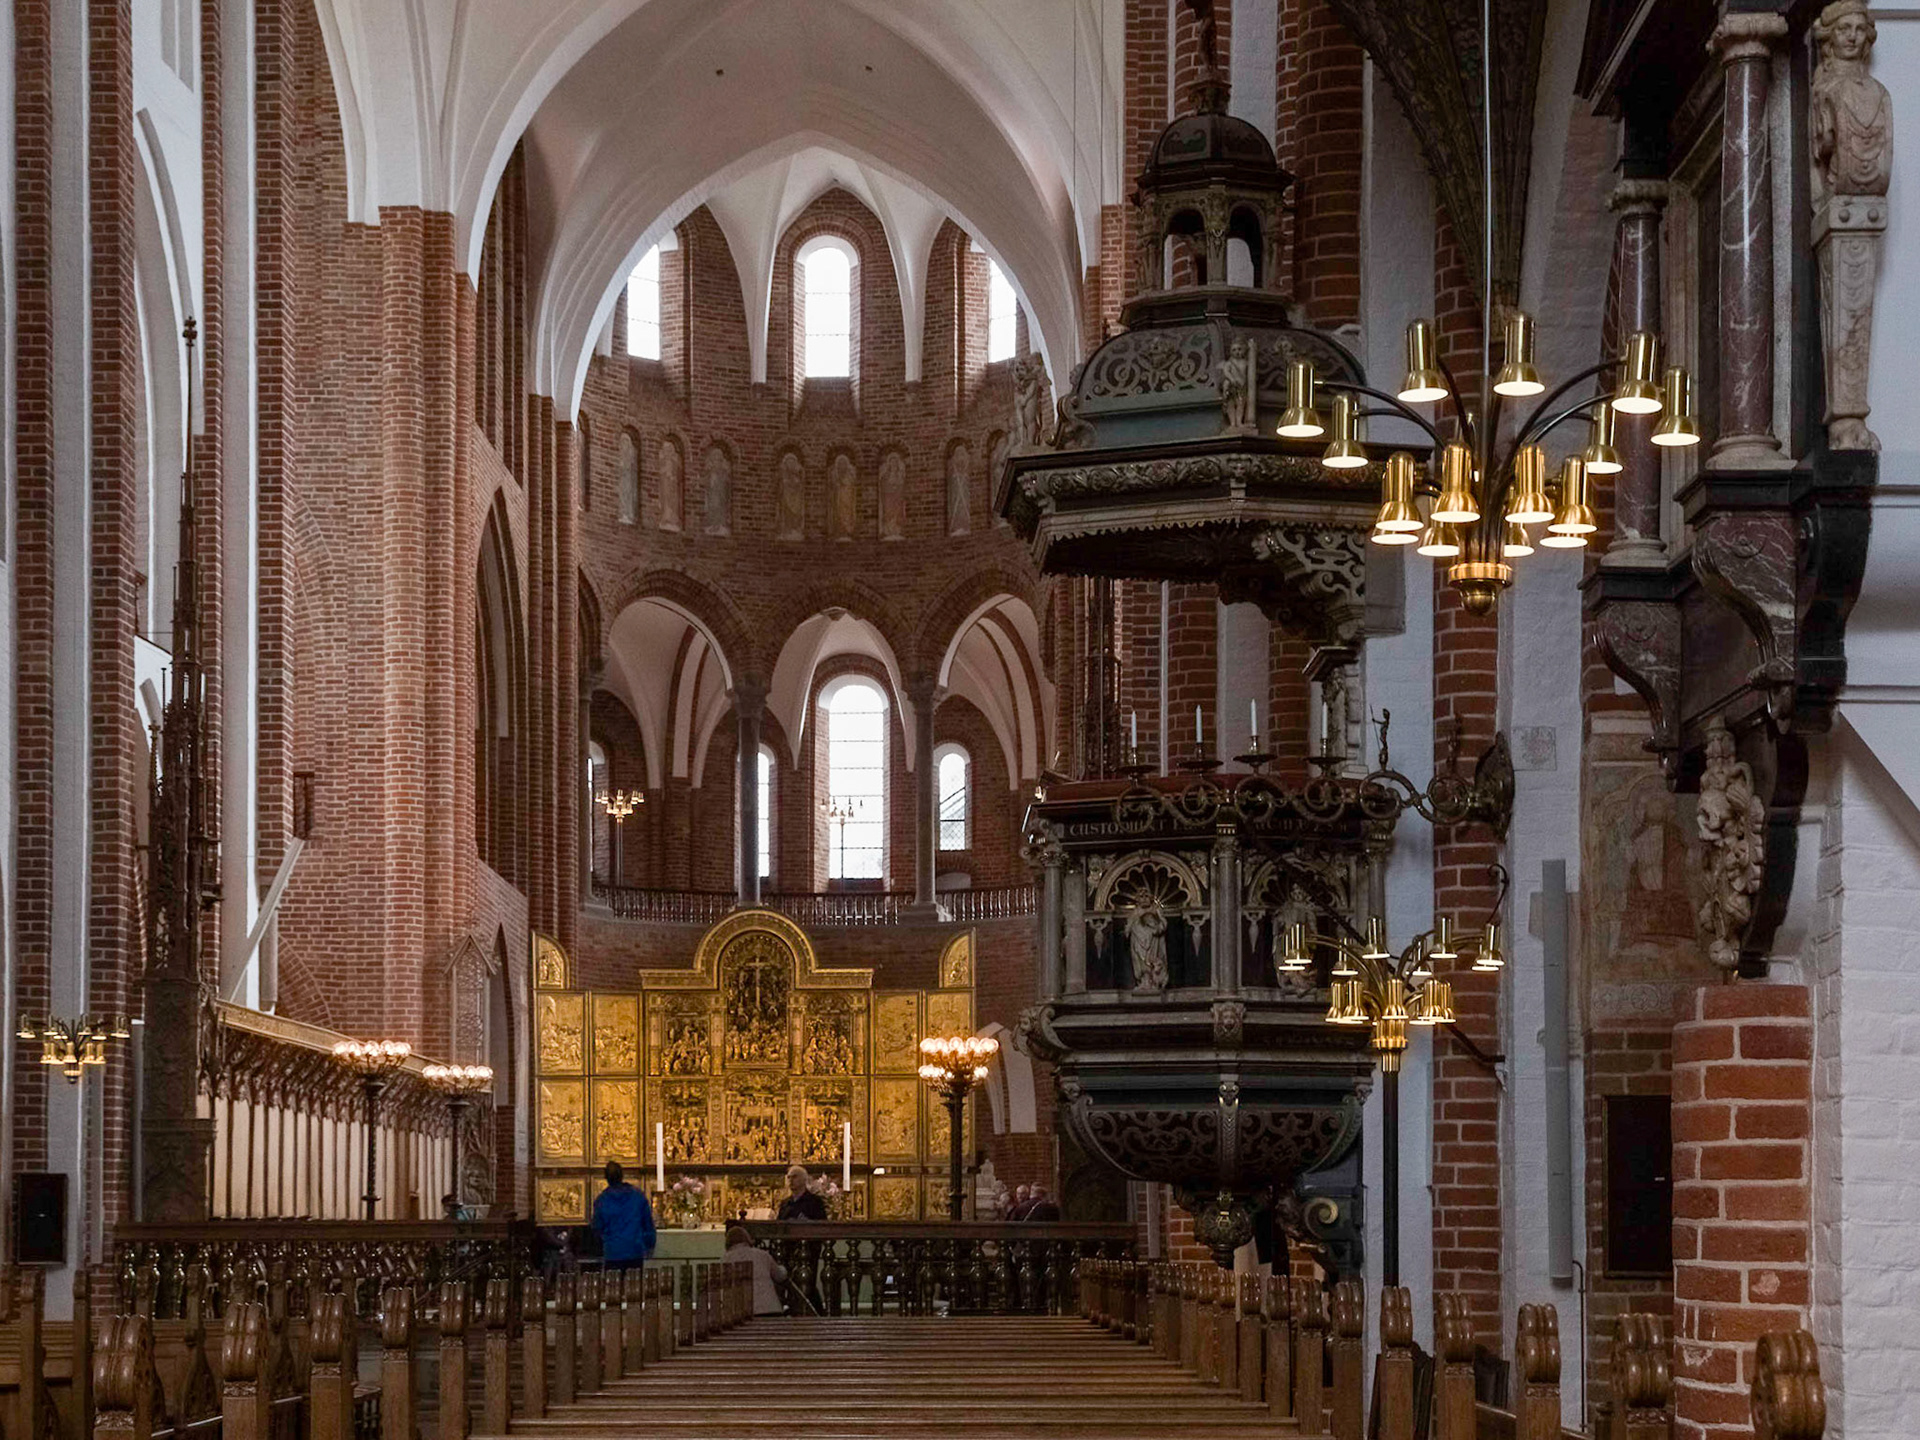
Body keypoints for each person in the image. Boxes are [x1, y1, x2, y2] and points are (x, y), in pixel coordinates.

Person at [590, 1161, 657, 1272]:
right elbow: (648, 1224)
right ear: (622, 1175)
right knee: (634, 1285)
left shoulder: (602, 1200)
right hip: (634, 1250)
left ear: (606, 1178)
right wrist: (650, 1245)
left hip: (613, 1252)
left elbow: (597, 1227)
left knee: (614, 1286)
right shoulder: (637, 1196)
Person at [725, 1226, 789, 1316]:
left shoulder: (725, 1260)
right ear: (748, 1239)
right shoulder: (762, 1254)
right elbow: (780, 1276)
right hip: (770, 1308)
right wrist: (784, 1268)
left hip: (743, 1312)